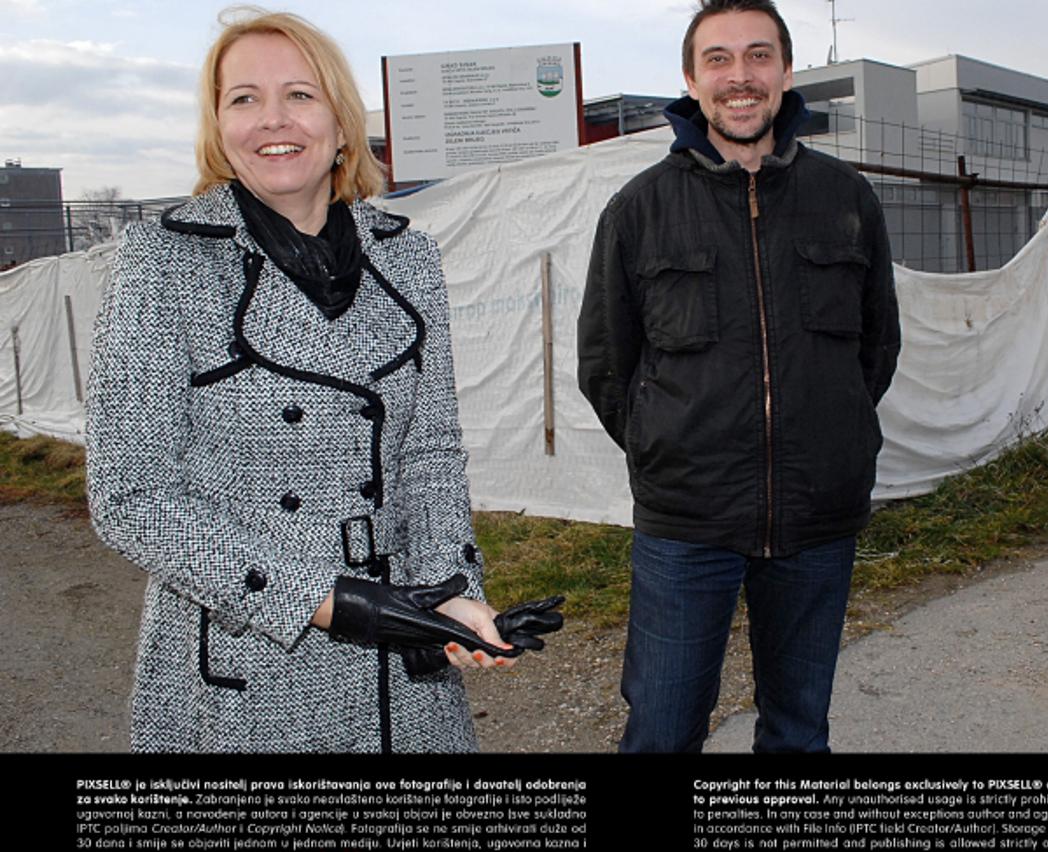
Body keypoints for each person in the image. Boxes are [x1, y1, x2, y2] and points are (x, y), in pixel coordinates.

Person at [86, 9, 560, 753]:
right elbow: (130, 497)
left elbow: (428, 453)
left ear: (341, 122)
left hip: (404, 665)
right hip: (247, 666)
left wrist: (450, 598)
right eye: (243, 98)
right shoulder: (161, 262)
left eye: (300, 95)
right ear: (218, 127)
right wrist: (327, 601)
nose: (273, 119)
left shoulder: (408, 258)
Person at [577, 0, 900, 753]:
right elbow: (607, 365)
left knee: (797, 731)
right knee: (660, 732)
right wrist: (669, 449)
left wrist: (826, 437)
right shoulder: (638, 210)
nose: (740, 76)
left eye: (759, 56)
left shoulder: (847, 200)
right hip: (688, 521)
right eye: (718, 59)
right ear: (691, 80)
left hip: (818, 516)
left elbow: (874, 353)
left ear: (786, 73)